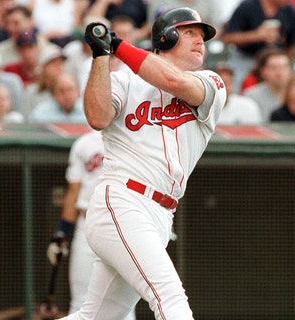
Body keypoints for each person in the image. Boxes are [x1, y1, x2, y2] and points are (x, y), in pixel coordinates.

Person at [60, 7, 226, 319]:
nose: (200, 41)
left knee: (95, 318)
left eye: (202, 35)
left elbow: (173, 82)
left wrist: (119, 46)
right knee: (170, 298)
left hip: (162, 214)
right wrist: (101, 56)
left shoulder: (212, 83)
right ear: (167, 36)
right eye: (190, 32)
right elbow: (97, 117)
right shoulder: (124, 81)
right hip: (124, 200)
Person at [46, 130, 136, 319]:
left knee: (123, 306)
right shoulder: (84, 143)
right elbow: (73, 191)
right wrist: (62, 233)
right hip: (87, 225)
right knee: (81, 300)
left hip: (123, 226)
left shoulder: (136, 136)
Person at [221, 0, 295, 91]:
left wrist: (283, 63)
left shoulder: (289, 10)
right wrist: (257, 35)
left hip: (275, 60)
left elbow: (293, 44)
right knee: (236, 86)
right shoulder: (247, 6)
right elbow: (228, 37)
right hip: (246, 59)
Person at [243, 47, 292, 122]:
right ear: (263, 71)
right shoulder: (251, 96)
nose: (279, 73)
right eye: (274, 68)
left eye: (284, 67)